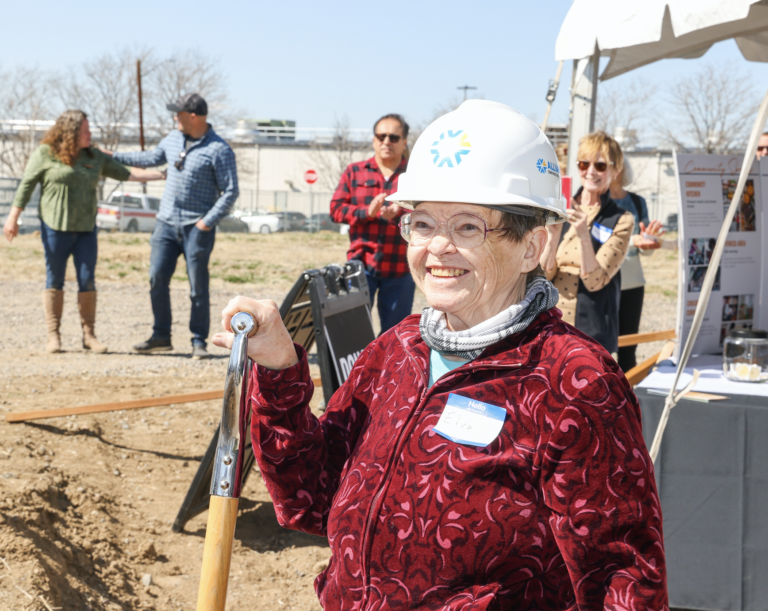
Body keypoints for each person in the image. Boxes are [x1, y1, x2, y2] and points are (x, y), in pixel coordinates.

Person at [212, 101, 667, 610]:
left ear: (532, 246)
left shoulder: (573, 381)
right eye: (423, 223)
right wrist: (278, 369)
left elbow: (623, 581)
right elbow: (312, 498)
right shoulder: (397, 350)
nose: (437, 248)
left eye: (468, 227)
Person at [3, 110, 164, 354]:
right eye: (85, 131)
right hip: (55, 228)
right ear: (70, 132)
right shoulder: (45, 153)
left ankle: (89, 335)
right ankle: (53, 335)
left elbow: (127, 173)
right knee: (54, 279)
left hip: (86, 230)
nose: (90, 134)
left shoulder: (94, 156)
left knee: (87, 279)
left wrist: (162, 174)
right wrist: (13, 218)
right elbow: (26, 185)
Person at [106, 93, 239, 359]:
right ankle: (161, 336)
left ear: (193, 116)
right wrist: (112, 156)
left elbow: (231, 191)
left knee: (197, 287)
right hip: (165, 224)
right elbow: (150, 158)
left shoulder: (219, 149)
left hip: (196, 228)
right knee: (157, 279)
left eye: (177, 113)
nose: (174, 117)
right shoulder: (172, 138)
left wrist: (206, 222)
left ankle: (198, 341)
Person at [540, 131, 635, 354]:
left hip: (590, 331)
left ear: (615, 171)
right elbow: (541, 278)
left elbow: (595, 281)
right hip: (550, 325)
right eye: (584, 164)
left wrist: (584, 235)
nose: (591, 172)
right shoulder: (561, 208)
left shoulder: (620, 219)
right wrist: (552, 236)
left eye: (600, 166)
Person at [330, 113, 414, 334]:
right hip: (361, 265)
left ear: (404, 142)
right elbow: (335, 210)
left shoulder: (415, 175)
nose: (387, 142)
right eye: (381, 136)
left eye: (394, 138)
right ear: (374, 140)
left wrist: (401, 212)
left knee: (395, 336)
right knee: (354, 332)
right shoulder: (354, 172)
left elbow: (431, 215)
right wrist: (367, 212)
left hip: (401, 268)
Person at [609, 158, 665, 372]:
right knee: (599, 347)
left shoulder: (638, 202)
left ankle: (629, 399)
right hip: (601, 283)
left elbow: (645, 250)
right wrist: (633, 241)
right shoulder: (594, 201)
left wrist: (648, 243)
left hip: (633, 284)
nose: (611, 170)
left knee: (628, 348)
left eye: (615, 164)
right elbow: (596, 242)